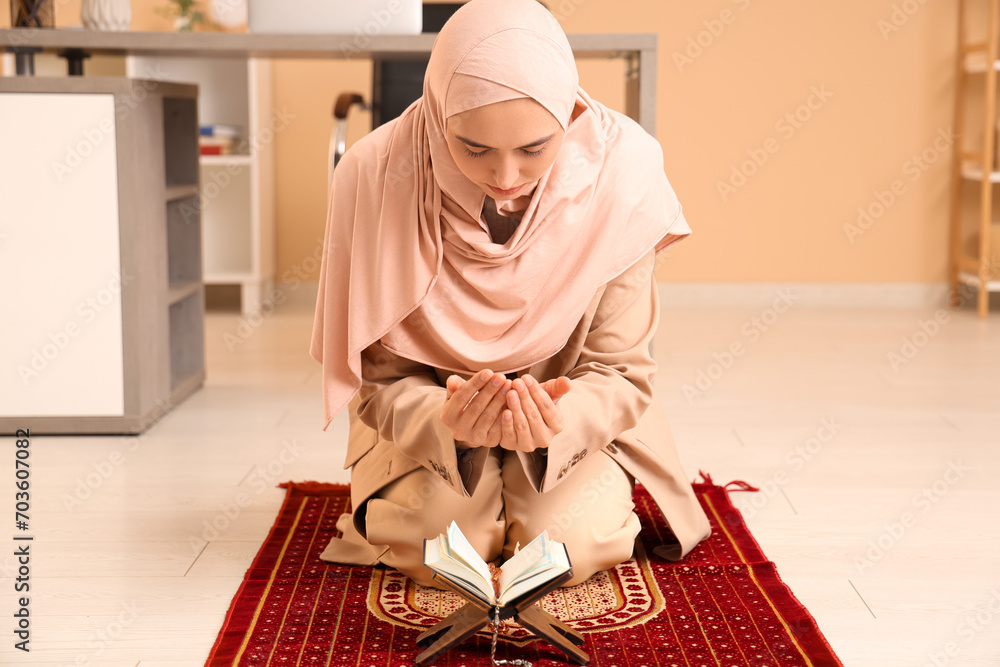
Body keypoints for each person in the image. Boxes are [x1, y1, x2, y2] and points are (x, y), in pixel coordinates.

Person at [310, 0, 710, 589]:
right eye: (472, 148)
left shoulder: (624, 170)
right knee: (443, 548)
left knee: (570, 543)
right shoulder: (376, 173)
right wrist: (451, 422)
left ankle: (541, 481)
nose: (504, 178)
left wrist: (551, 420)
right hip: (427, 426)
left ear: (567, 115)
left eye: (534, 149)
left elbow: (622, 372)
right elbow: (378, 383)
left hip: (575, 426)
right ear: (438, 113)